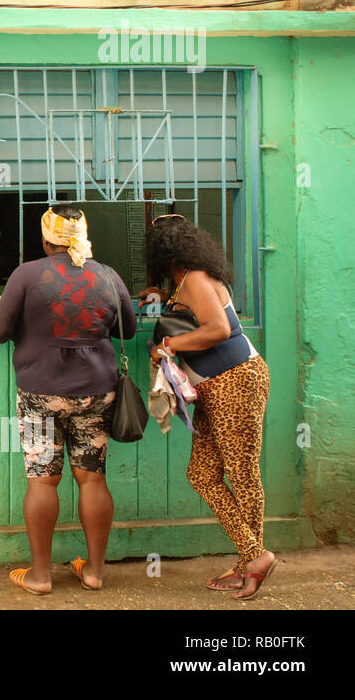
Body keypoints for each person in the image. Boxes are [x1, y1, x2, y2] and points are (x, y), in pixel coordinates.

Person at [0, 206, 136, 595]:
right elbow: (130, 328)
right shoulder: (107, 274)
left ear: (45, 239)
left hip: (40, 394)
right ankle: (94, 572)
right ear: (83, 236)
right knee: (92, 478)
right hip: (95, 394)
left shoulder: (27, 275)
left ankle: (40, 576)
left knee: (42, 481)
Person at [144, 214, 276, 600]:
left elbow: (217, 329)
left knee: (242, 472)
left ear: (163, 253)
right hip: (215, 388)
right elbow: (188, 321)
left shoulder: (197, 279)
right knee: (203, 474)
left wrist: (168, 348)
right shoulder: (186, 281)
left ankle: (250, 562)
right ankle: (253, 556)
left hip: (236, 380)